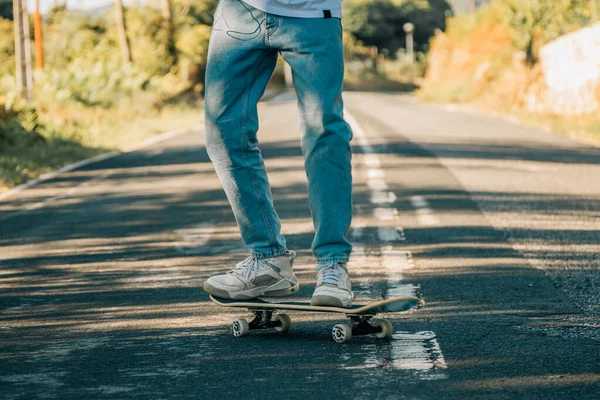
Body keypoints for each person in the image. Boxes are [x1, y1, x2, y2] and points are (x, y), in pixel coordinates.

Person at [202, 0, 354, 308]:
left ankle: (332, 265)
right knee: (223, 129)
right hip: (239, 12)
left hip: (313, 14)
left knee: (323, 130)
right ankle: (269, 261)